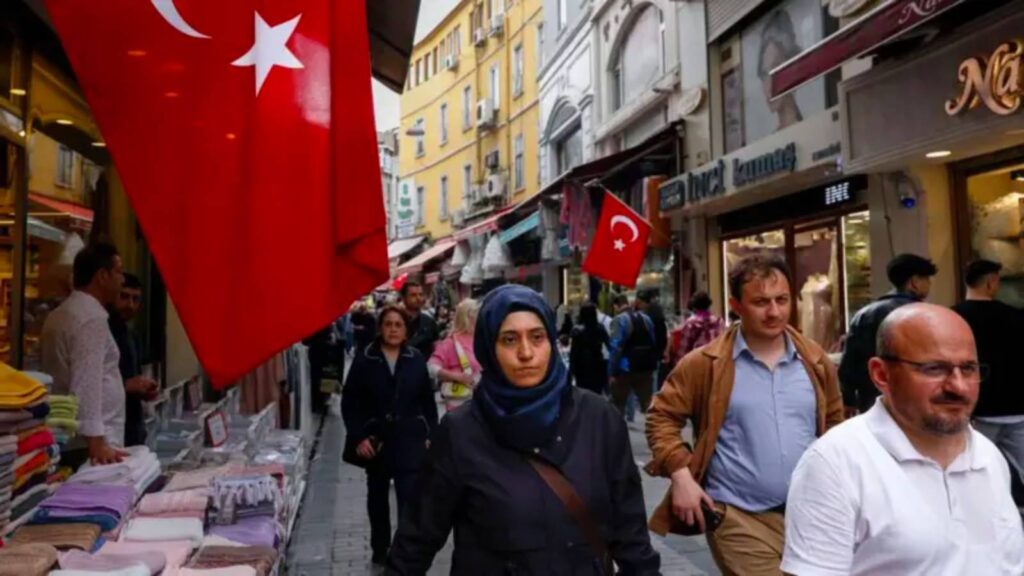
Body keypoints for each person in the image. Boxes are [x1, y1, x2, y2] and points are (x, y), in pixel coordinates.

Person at [386, 285, 661, 575]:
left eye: (537, 337)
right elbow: (415, 542)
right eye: (509, 339)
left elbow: (632, 538)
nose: (526, 353)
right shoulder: (461, 433)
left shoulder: (598, 419)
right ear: (488, 348)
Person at [782, 304, 1024, 575]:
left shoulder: (988, 457)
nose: (958, 386)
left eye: (968, 369)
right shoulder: (836, 464)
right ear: (881, 374)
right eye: (934, 369)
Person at [645, 254, 843, 576]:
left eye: (781, 300)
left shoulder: (815, 360)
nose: (774, 312)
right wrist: (681, 475)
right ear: (736, 305)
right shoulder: (705, 364)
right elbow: (661, 417)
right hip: (739, 517)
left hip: (811, 515)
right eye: (761, 302)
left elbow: (835, 425)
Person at [342, 305, 439, 567]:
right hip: (377, 441)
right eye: (388, 324)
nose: (393, 329)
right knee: (377, 498)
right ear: (380, 328)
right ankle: (380, 547)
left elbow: (428, 403)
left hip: (409, 439)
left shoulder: (415, 358)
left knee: (409, 498)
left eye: (398, 325)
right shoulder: (366, 359)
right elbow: (350, 403)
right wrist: (359, 437)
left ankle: (404, 550)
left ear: (406, 330)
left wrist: (431, 434)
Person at [40, 242, 132, 464]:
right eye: (118, 272)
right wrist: (97, 443)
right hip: (91, 446)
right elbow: (86, 381)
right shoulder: (90, 318)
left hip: (70, 436)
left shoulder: (62, 313)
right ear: (102, 276)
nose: (122, 279)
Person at [840, 253, 937, 416]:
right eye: (926, 279)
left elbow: (849, 363)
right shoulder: (924, 314)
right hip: (914, 399)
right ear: (914, 282)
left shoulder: (863, 315)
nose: (929, 284)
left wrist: (849, 399)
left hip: (870, 400)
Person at [953, 259, 1024, 476]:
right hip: (1017, 408)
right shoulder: (1017, 317)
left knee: (971, 472)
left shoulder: (953, 318)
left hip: (975, 411)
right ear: (991, 283)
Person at [108, 273, 158, 447]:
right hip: (109, 431)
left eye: (135, 299)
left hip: (133, 428)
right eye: (124, 296)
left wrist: (145, 389)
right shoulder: (102, 331)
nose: (130, 304)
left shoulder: (133, 335)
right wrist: (126, 385)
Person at [608, 294, 659, 418]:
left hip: (625, 368)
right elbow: (653, 341)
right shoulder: (646, 318)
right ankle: (656, 433)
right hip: (645, 367)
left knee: (618, 405)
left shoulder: (619, 320)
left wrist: (612, 372)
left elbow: (616, 348)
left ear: (616, 306)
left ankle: (619, 434)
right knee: (648, 405)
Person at [429, 299, 482, 412]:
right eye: (478, 313)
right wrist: (456, 376)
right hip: (459, 406)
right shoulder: (451, 342)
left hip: (481, 403)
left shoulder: (481, 338)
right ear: (469, 316)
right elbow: (431, 367)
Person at [569, 302, 610, 396]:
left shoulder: (577, 330)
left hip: (581, 366)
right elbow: (609, 344)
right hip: (597, 363)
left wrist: (571, 370)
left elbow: (573, 352)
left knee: (583, 393)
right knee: (597, 393)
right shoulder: (600, 328)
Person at [636, 290, 669, 390]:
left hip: (649, 352)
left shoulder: (645, 316)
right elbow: (664, 333)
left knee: (650, 380)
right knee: (654, 378)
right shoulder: (658, 312)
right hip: (657, 351)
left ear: (642, 302)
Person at [401, 280, 440, 360]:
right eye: (413, 295)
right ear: (404, 298)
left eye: (420, 294)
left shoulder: (429, 322)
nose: (418, 298)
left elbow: (437, 348)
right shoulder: (396, 322)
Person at [678, 291, 725, 357]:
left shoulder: (690, 323)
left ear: (694, 306)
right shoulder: (719, 321)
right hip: (715, 359)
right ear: (709, 305)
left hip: (697, 360)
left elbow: (684, 348)